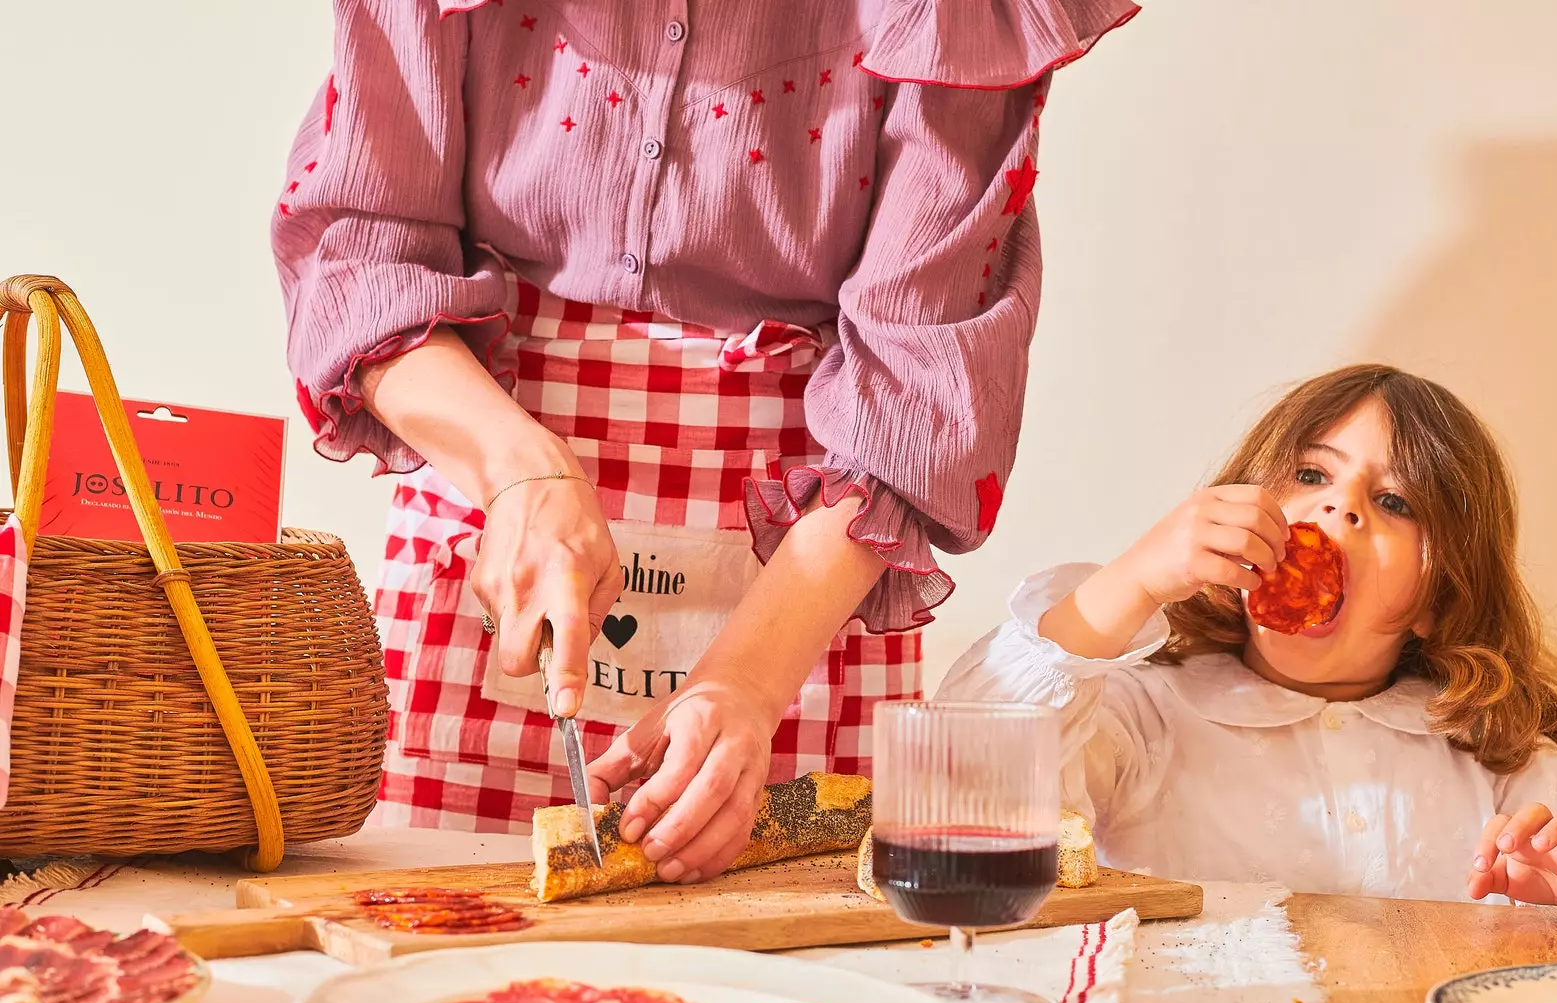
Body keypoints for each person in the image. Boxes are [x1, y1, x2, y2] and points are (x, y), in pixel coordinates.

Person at [270, 0, 1139, 881]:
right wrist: (519, 474)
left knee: (776, 984)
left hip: (806, 568)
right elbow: (362, 259)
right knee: (439, 946)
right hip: (493, 506)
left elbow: (917, 390)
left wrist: (746, 687)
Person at [940, 364, 1557, 913]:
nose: (1343, 507)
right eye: (1312, 474)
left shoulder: (1489, 763)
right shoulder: (1149, 720)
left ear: (1439, 600)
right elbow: (964, 771)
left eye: (1395, 501)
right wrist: (1132, 579)